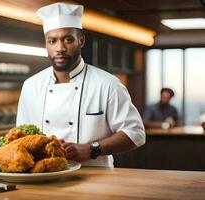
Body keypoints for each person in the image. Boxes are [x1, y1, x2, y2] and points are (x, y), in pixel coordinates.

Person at [16, 2, 145, 167]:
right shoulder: (31, 86)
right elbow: (21, 138)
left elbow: (136, 133)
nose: (60, 48)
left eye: (67, 39)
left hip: (96, 180)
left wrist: (92, 149)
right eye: (52, 41)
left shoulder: (107, 84)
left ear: (81, 40)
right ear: (46, 44)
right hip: (44, 177)